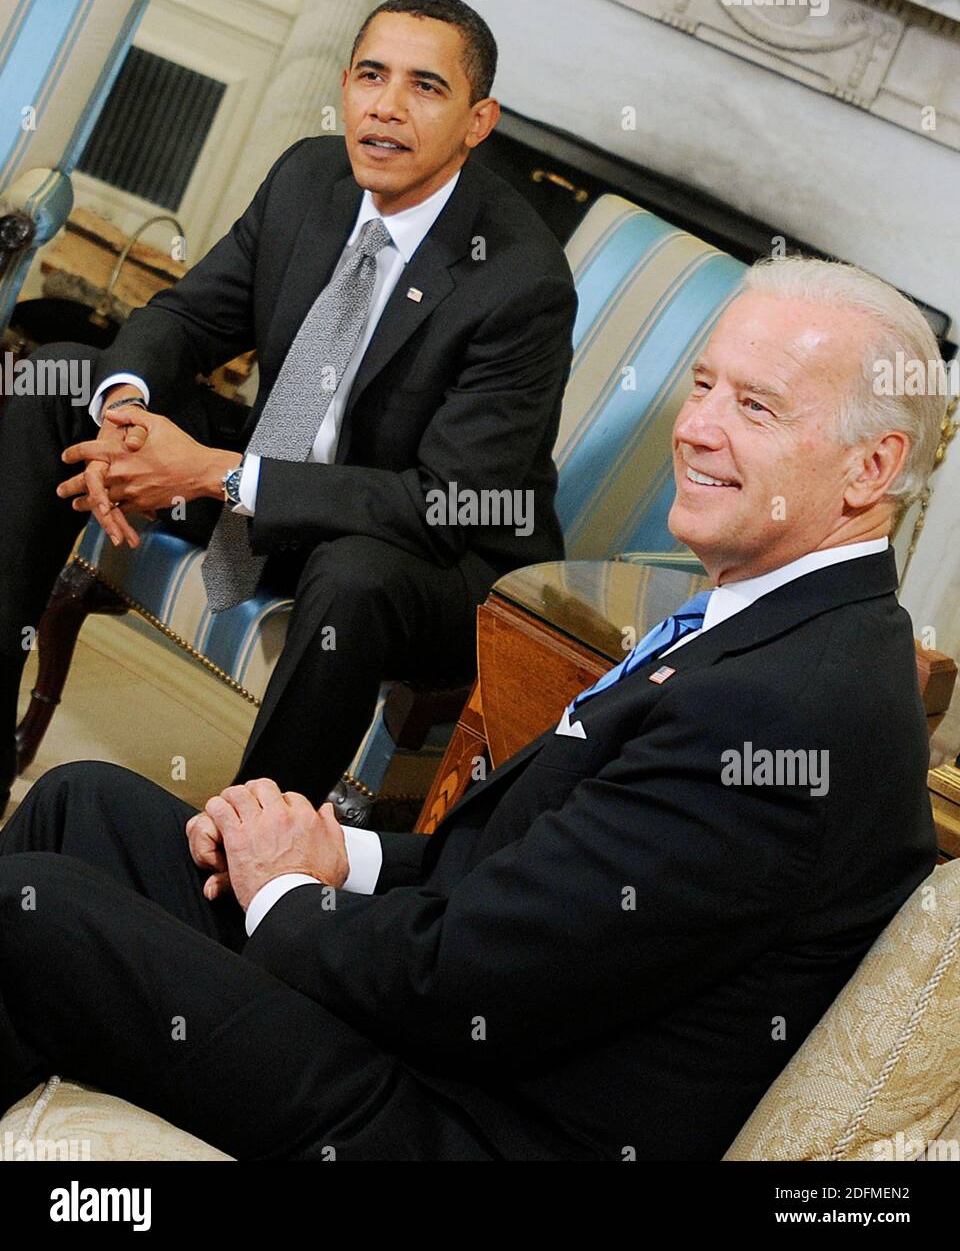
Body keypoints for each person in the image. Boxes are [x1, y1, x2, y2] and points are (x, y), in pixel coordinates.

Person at [0, 256, 945, 1160]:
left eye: (755, 406)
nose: (698, 427)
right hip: (463, 1039)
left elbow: (466, 984)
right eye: (702, 386)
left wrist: (285, 891)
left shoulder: (782, 710)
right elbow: (535, 887)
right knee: (81, 804)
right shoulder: (782, 628)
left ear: (871, 470)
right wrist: (342, 854)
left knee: (28, 915)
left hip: (466, 1122)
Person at [0, 0, 577, 813]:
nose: (386, 106)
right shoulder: (311, 176)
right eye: (372, 76)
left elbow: (443, 501)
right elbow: (191, 316)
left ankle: (247, 864)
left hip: (433, 554)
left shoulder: (519, 280)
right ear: (345, 84)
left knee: (354, 573)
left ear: (478, 121)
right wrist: (125, 416)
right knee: (61, 377)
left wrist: (215, 475)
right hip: (284, 482)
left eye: (425, 87)